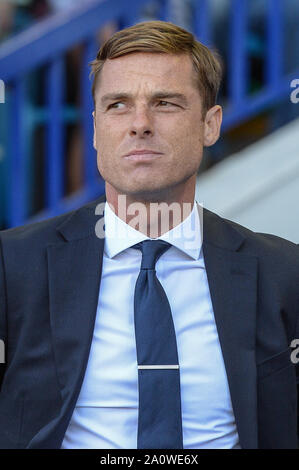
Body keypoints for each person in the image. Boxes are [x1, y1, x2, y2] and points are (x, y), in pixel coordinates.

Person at [0, 20, 298, 450]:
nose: (140, 123)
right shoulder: (13, 268)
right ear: (97, 128)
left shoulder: (284, 273)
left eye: (165, 103)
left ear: (210, 125)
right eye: (117, 105)